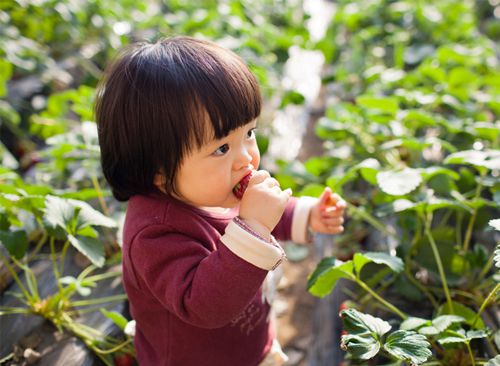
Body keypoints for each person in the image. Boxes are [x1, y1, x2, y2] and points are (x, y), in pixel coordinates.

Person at [95, 36, 346, 366]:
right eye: (221, 148)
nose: (246, 158)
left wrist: (306, 214)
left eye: (249, 134)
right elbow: (205, 305)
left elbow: (263, 208)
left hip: (248, 344)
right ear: (157, 170)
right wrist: (254, 227)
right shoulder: (154, 235)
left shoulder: (209, 184)